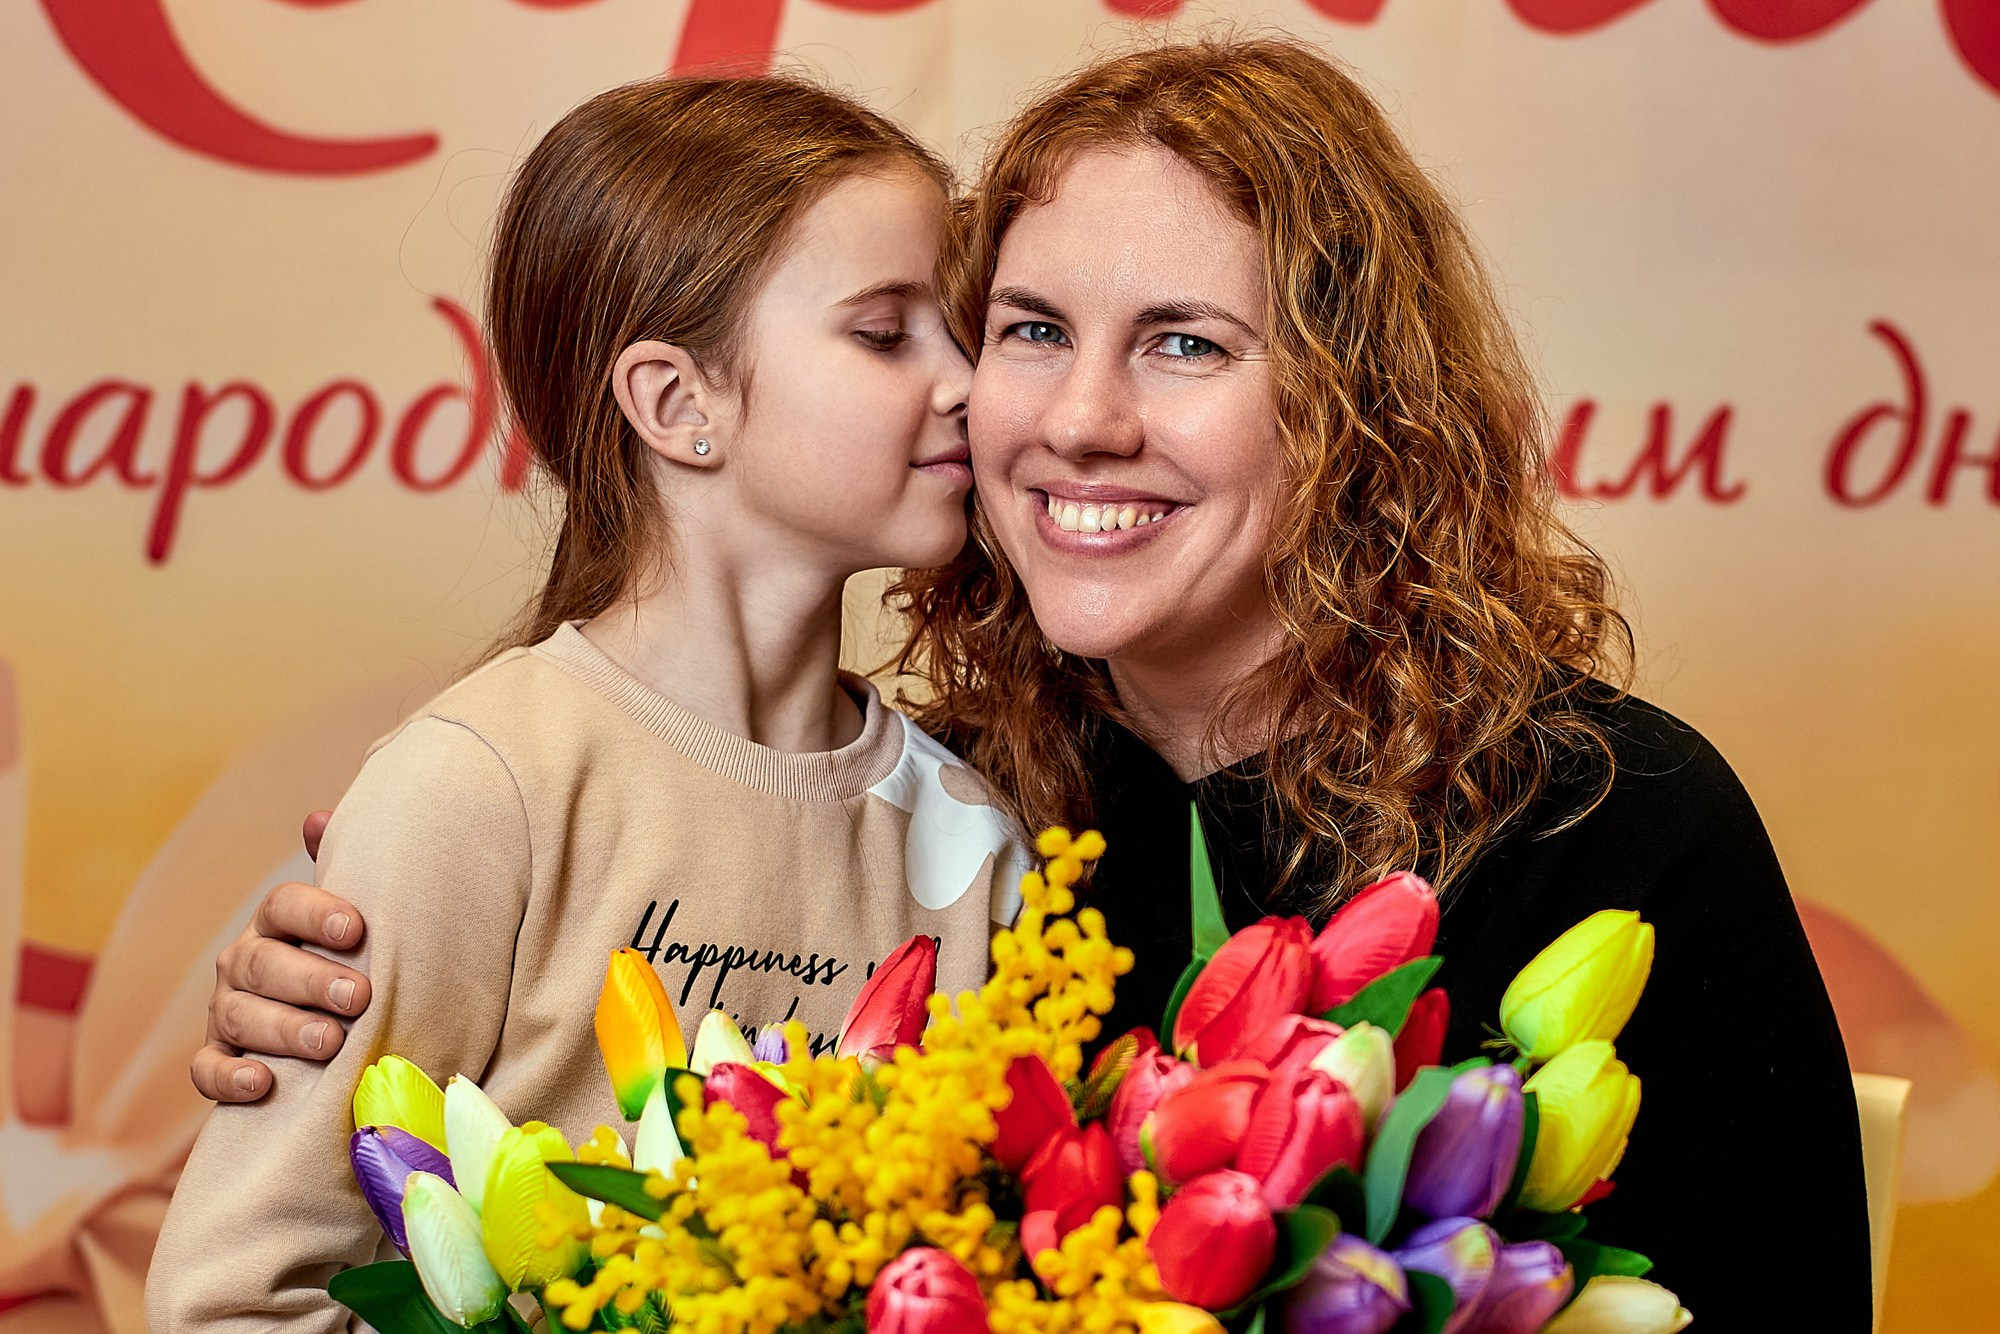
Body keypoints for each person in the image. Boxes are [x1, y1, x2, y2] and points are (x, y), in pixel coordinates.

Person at [190, 38, 1872, 1328]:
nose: (1078, 419)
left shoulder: (1607, 820)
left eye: (1186, 342)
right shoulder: (965, 806)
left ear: (1354, 404)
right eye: (1030, 327)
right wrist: (364, 963)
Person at [147, 74, 1026, 1329]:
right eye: (886, 334)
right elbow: (232, 1298)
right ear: (676, 403)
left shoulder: (972, 835)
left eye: (963, 328)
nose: (969, 382)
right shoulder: (480, 785)